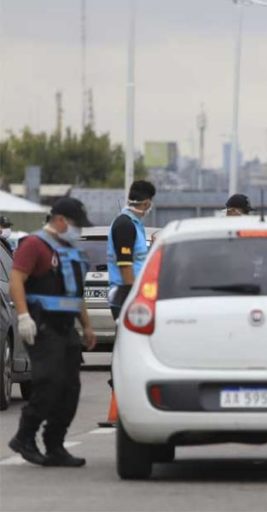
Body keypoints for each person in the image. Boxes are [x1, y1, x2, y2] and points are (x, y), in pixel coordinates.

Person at [7, 198, 96, 466]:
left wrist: (87, 325)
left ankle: (55, 444)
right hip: (42, 325)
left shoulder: (68, 249)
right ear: (59, 220)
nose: (77, 230)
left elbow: (75, 293)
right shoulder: (34, 245)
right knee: (48, 383)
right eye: (74, 224)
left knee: (70, 389)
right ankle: (24, 436)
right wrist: (23, 316)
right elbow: (16, 280)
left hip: (67, 328)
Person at [107, 180, 156, 321]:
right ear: (146, 203)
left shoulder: (134, 224)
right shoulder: (125, 225)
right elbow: (125, 265)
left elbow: (137, 259)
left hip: (132, 294)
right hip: (125, 297)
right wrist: (134, 299)